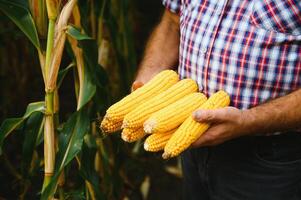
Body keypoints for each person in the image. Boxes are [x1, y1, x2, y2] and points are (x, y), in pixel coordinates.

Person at [133, 0, 301, 199]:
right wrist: (149, 77)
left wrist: (250, 120)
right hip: (189, 138)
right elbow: (171, 22)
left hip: (269, 157)